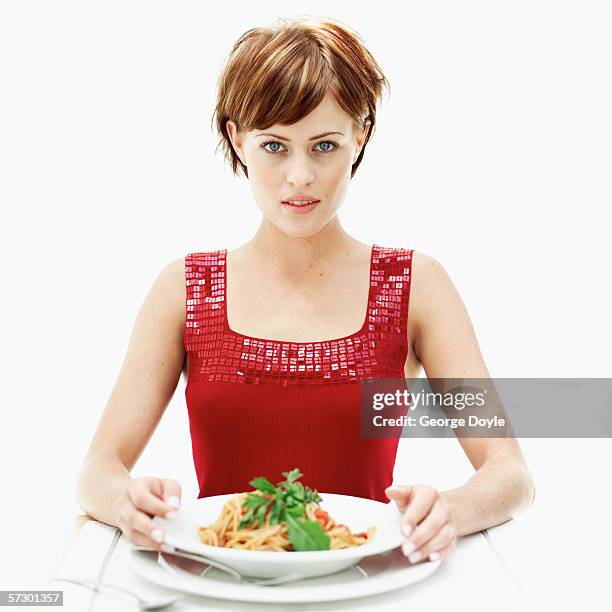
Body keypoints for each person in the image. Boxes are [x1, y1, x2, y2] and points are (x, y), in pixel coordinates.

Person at [76, 16, 534, 565]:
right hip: (220, 587)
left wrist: (451, 509)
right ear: (236, 138)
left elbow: (509, 473)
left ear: (360, 135)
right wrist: (128, 501)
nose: (299, 176)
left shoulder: (416, 287)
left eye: (323, 146)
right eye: (275, 146)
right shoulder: (184, 289)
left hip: (367, 586)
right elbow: (96, 473)